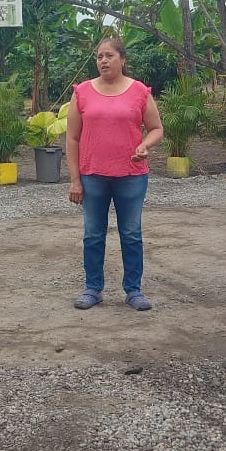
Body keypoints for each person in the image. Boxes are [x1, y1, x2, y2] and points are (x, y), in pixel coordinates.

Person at [65, 34, 164, 311]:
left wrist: (145, 145)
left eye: (109, 55)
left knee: (131, 233)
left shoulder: (139, 91)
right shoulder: (82, 92)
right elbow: (72, 138)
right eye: (99, 56)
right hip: (92, 175)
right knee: (93, 234)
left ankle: (134, 290)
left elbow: (156, 129)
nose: (103, 61)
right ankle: (92, 289)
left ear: (122, 59)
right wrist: (75, 180)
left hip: (131, 175)